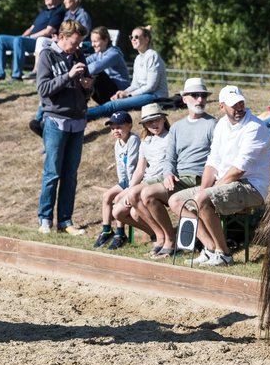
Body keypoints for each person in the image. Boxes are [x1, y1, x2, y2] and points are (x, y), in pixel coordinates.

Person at [171, 85, 270, 267]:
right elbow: (212, 162)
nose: (239, 107)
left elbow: (239, 169)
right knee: (176, 201)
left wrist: (205, 194)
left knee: (201, 198)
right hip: (226, 182)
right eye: (234, 105)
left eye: (241, 103)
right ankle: (210, 248)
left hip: (251, 187)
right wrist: (202, 191)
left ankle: (224, 254)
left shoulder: (255, 127)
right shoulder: (220, 126)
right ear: (222, 107)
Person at [36, 19, 93, 235]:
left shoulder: (79, 56)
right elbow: (43, 89)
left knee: (70, 175)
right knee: (52, 173)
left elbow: (85, 93)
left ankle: (65, 221)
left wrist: (88, 87)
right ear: (62, 37)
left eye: (79, 43)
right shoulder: (47, 55)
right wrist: (67, 76)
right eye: (74, 43)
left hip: (77, 121)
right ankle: (45, 219)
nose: (77, 48)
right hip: (55, 121)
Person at [150, 78, 217, 245]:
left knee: (147, 193)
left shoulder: (212, 124)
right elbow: (169, 158)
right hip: (178, 178)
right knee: (136, 194)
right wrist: (168, 173)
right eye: (195, 95)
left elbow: (218, 157)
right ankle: (164, 237)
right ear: (184, 98)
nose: (200, 100)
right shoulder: (177, 127)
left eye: (203, 96)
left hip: (197, 178)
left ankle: (174, 241)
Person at [31, 25, 129, 131]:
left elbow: (94, 67)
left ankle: (76, 110)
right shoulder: (99, 53)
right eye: (92, 41)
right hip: (106, 92)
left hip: (118, 91)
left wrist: (73, 74)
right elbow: (84, 62)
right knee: (82, 78)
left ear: (105, 40)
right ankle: (41, 119)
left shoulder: (114, 54)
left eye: (96, 41)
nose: (93, 45)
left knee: (94, 75)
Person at [112, 103, 176, 258]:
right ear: (145, 124)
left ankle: (164, 239)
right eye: (149, 122)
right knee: (118, 211)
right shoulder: (146, 142)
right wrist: (129, 191)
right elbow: (140, 170)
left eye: (156, 120)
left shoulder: (171, 137)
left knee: (134, 210)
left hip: (163, 181)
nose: (154, 124)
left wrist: (132, 191)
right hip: (146, 182)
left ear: (163, 119)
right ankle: (158, 234)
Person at [85, 25, 168, 121]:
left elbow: (151, 87)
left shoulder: (152, 55)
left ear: (146, 39)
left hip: (156, 96)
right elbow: (135, 84)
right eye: (131, 37)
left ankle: (82, 116)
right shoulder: (138, 58)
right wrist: (124, 92)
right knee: (114, 102)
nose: (133, 39)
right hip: (143, 94)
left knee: (113, 105)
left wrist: (129, 95)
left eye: (136, 37)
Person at [0, 0, 65, 80]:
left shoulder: (59, 11)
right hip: (27, 40)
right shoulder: (43, 12)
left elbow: (48, 31)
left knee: (19, 40)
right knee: (0, 39)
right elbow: (31, 28)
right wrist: (22, 37)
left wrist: (29, 37)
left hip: (40, 42)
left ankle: (16, 75)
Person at [93, 111, 140, 250]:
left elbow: (131, 165)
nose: (115, 131)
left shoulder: (133, 140)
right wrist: (122, 183)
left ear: (129, 126)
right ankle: (107, 230)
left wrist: (129, 188)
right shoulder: (117, 144)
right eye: (113, 128)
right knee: (107, 196)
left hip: (136, 180)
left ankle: (120, 234)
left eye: (119, 127)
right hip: (125, 180)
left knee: (119, 198)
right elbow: (120, 165)